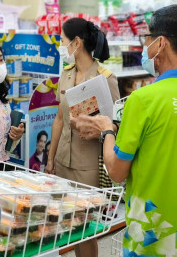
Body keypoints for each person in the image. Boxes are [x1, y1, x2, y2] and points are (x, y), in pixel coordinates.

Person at [73, 4, 177, 257]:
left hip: (152, 243)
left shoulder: (143, 100)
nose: (146, 46)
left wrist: (107, 130)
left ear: (161, 43)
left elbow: (117, 171)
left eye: (148, 39)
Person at [45, 18, 120, 257]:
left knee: (85, 228)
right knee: (69, 225)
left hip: (87, 165)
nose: (60, 45)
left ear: (76, 42)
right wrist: (50, 158)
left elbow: (116, 124)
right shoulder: (66, 75)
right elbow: (59, 119)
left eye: (62, 40)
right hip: (63, 161)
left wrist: (99, 126)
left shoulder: (105, 78)